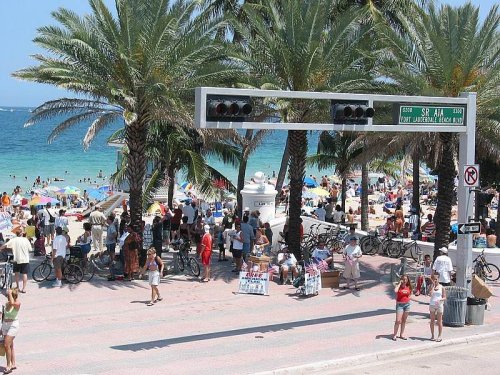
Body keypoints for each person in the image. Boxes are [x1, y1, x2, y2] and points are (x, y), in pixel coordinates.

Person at [2, 288, 20, 374]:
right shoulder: (7, 303)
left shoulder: (17, 303)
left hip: (13, 325)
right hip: (5, 325)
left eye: (8, 295)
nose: (7, 297)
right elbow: (3, 316)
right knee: (10, 345)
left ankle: (8, 366)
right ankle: (13, 364)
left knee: (6, 345)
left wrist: (9, 293)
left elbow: (13, 303)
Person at [392, 274, 412, 341]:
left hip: (407, 305)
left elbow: (410, 294)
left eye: (406, 279)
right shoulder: (399, 287)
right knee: (398, 321)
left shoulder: (408, 286)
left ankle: (401, 334)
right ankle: (394, 335)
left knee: (404, 320)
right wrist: (399, 283)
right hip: (400, 305)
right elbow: (395, 291)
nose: (404, 281)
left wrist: (408, 299)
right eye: (403, 279)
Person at [429, 274, 446, 342]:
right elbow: (430, 294)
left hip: (439, 304)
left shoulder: (442, 287)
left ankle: (439, 336)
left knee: (439, 321)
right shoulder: (431, 286)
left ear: (438, 279)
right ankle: (432, 335)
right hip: (432, 304)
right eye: (434, 279)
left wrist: (440, 299)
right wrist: (433, 286)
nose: (435, 280)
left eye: (436, 279)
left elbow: (445, 297)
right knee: (432, 320)